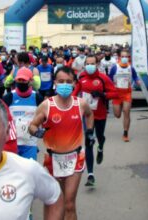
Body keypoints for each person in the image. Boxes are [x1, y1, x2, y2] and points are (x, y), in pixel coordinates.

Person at [29, 66, 95, 220]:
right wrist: (37, 131)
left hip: (75, 157)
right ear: (55, 83)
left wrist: (90, 132)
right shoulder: (47, 105)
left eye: (68, 81)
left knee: (70, 204)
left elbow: (90, 114)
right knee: (55, 203)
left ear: (73, 83)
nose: (64, 84)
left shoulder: (81, 103)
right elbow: (32, 125)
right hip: (53, 160)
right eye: (61, 81)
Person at [72, 55, 118, 187]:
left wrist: (103, 95)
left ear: (97, 64)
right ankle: (90, 174)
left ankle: (101, 147)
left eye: (92, 63)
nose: (89, 66)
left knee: (99, 137)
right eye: (87, 63)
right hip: (87, 116)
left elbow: (115, 93)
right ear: (85, 64)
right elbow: (76, 92)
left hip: (101, 115)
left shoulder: (103, 78)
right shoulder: (81, 77)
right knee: (88, 142)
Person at [3, 67, 44, 160]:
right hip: (12, 143)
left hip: (30, 143)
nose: (21, 82)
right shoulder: (8, 97)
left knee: (29, 172)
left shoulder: (37, 98)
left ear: (30, 81)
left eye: (24, 80)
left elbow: (43, 117)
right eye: (19, 80)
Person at [109, 50, 141, 142]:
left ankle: (125, 133)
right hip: (117, 93)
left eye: (126, 56)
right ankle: (121, 106)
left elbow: (135, 76)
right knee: (117, 115)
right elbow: (109, 79)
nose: (124, 58)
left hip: (127, 93)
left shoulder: (131, 68)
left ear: (128, 58)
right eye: (122, 56)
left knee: (126, 112)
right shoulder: (115, 67)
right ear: (119, 57)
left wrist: (137, 81)